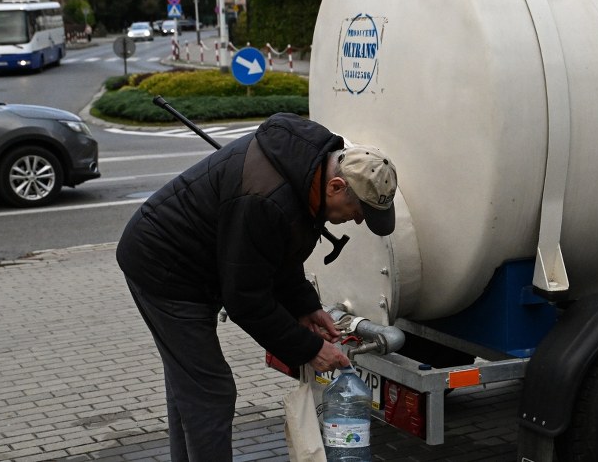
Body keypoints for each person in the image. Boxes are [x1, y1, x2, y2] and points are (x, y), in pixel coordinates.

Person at [117, 112, 398, 461]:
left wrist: (306, 306)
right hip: (165, 269)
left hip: (197, 267)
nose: (357, 220)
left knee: (191, 387)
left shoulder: (307, 169)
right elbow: (246, 300)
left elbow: (277, 252)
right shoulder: (265, 198)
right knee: (211, 392)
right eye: (358, 211)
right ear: (336, 187)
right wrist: (310, 348)